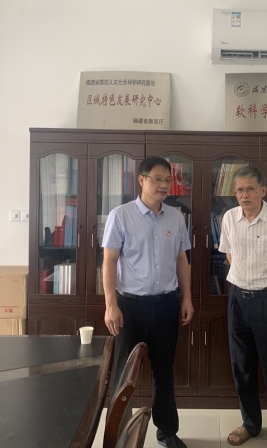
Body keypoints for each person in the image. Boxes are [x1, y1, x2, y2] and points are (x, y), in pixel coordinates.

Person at [102, 156, 194, 448]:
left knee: (164, 371)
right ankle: (117, 436)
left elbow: (182, 259)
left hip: (166, 305)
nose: (164, 185)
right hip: (130, 307)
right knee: (123, 374)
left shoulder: (176, 217)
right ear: (141, 180)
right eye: (157, 179)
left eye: (168, 180)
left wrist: (187, 298)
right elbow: (109, 261)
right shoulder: (121, 215)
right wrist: (111, 305)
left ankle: (166, 431)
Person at [218, 166, 267, 447]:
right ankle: (250, 424)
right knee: (241, 365)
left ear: (263, 190)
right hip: (237, 298)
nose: (245, 195)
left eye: (250, 189)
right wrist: (245, 278)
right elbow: (229, 253)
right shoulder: (229, 217)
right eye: (239, 190)